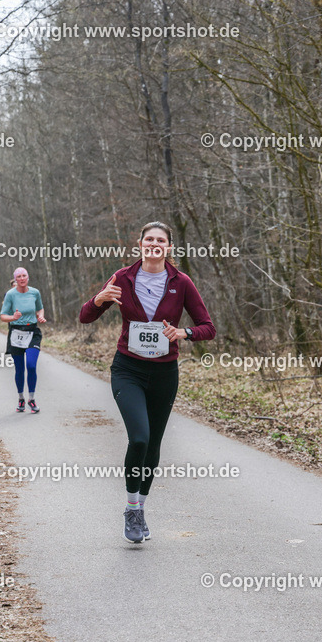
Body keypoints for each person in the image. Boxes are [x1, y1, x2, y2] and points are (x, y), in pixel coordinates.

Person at [79, 221, 215, 544]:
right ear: (140, 244)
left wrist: (183, 332)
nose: (154, 244)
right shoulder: (123, 278)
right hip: (128, 369)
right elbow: (85, 317)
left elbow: (207, 327)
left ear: (169, 247)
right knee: (139, 438)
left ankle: (141, 509)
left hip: (165, 374)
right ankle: (130, 508)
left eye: (160, 240)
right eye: (149, 239)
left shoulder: (181, 282)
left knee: (153, 445)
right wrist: (99, 299)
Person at [0, 267, 46, 412]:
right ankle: (21, 399)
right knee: (19, 369)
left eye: (24, 275)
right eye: (18, 276)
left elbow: (40, 308)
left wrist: (40, 316)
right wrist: (13, 317)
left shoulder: (35, 292)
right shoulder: (10, 295)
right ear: (15, 279)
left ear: (28, 277)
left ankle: (31, 399)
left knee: (31, 365)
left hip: (32, 332)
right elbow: (3, 316)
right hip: (16, 333)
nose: (21, 278)